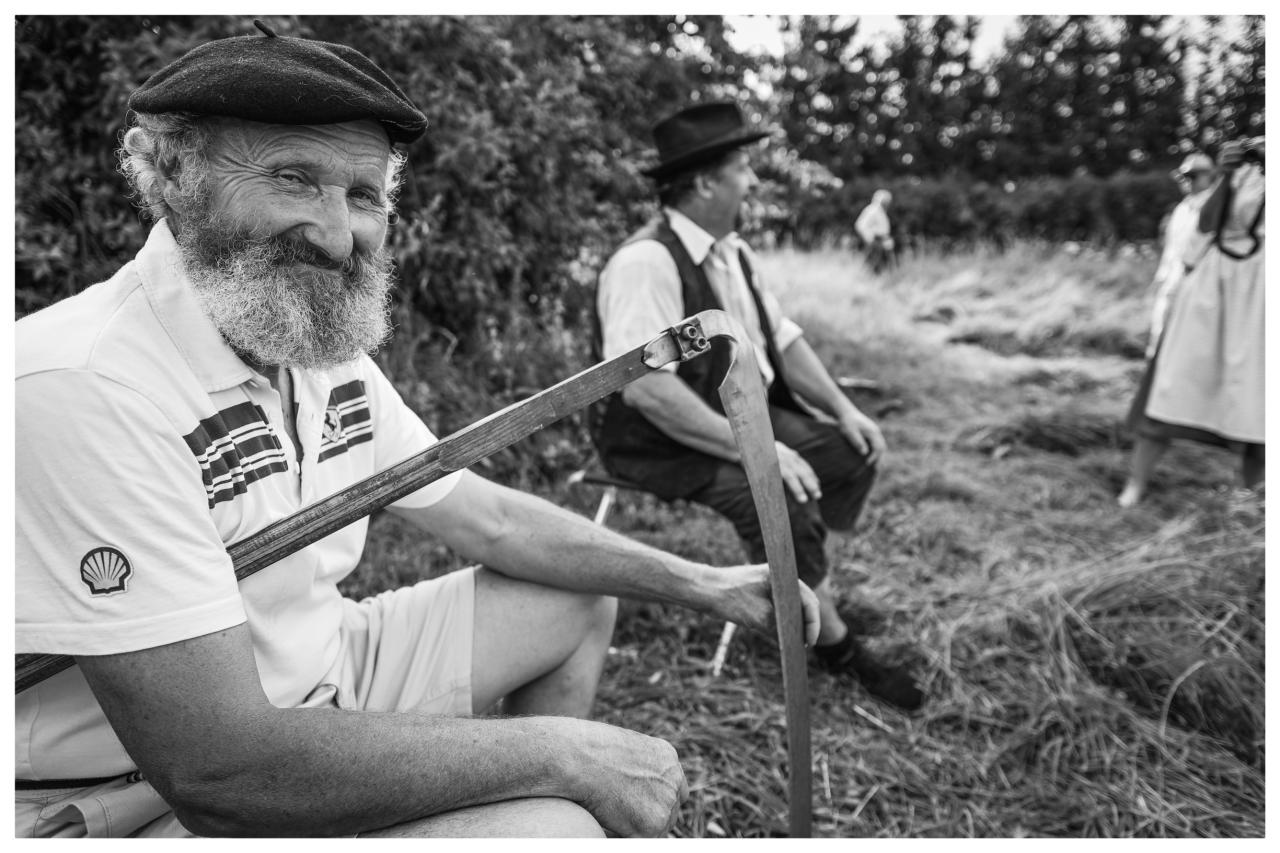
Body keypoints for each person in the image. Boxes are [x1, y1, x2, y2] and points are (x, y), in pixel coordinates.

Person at [14, 28, 821, 839]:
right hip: (128, 790)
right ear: (171, 175)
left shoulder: (314, 355)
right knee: (556, 828)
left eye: (363, 195)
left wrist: (707, 584)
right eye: (293, 178)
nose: (338, 237)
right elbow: (218, 768)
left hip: (322, 674)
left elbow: (491, 519)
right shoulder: (86, 384)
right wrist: (559, 756)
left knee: (572, 599)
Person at [592, 101, 924, 711]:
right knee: (780, 494)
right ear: (705, 183)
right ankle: (837, 647)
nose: (752, 181)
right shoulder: (646, 263)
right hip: (661, 442)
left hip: (746, 415)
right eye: (742, 169)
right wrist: (759, 450)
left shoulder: (735, 252)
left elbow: (783, 341)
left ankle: (813, 586)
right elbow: (646, 389)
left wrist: (844, 409)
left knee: (851, 454)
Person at [1119, 138, 1265, 507]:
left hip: (1262, 291)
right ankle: (1136, 483)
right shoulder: (1242, 169)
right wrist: (1228, 174)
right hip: (1211, 286)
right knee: (1171, 380)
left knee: (1259, 393)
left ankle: (1251, 496)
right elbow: (1205, 225)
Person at [1145, 152, 1217, 358]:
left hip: (1201, 282)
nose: (1187, 182)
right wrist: (1161, 278)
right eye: (1184, 177)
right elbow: (1172, 249)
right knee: (1161, 331)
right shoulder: (1182, 208)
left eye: (1192, 176)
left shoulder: (1214, 207)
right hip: (1174, 280)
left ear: (1207, 176)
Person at [854, 189, 895, 274]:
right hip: (876, 243)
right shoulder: (872, 210)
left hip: (880, 243)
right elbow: (860, 225)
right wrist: (870, 239)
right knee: (873, 267)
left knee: (881, 268)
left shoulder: (880, 211)